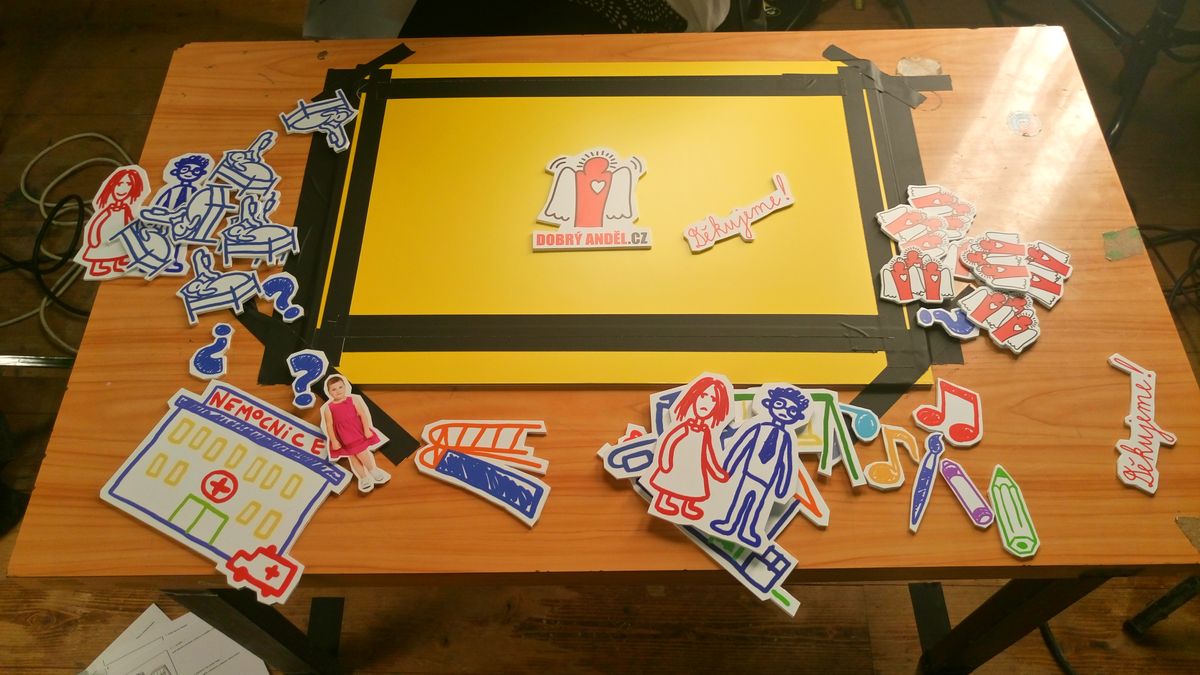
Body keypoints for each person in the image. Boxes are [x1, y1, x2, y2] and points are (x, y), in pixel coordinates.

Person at [709, 385, 809, 548]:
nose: (784, 411)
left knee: (757, 505)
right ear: (770, 404)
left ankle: (748, 530)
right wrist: (728, 466)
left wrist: (783, 487)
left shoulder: (786, 438)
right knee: (739, 499)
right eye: (780, 404)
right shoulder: (758, 426)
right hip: (748, 473)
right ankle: (730, 523)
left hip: (766, 481)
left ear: (796, 416)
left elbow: (786, 463)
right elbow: (741, 446)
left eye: (791, 411)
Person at [647, 374, 732, 520]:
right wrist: (665, 462)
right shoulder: (684, 427)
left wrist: (715, 471)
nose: (706, 403)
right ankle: (663, 500)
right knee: (670, 481)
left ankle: (687, 506)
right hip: (676, 464)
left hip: (695, 466)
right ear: (694, 397)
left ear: (717, 406)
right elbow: (669, 442)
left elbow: (708, 453)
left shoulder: (706, 432)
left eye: (713, 400)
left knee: (694, 483)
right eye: (703, 396)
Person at [320, 375, 391, 493]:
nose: (338, 391)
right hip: (344, 437)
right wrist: (334, 441)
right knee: (352, 457)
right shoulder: (329, 408)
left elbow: (363, 415)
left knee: (362, 452)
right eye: (334, 389)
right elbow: (329, 425)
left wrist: (366, 430)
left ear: (345, 387)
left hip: (356, 432)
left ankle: (372, 470)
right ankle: (363, 477)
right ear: (329, 392)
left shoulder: (353, 400)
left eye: (340, 387)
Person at [75, 167, 146, 278]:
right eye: (120, 184)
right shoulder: (107, 210)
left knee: (119, 250)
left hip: (119, 237)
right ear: (112, 186)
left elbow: (130, 221)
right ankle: (99, 266)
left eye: (128, 184)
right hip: (103, 238)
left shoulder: (126, 209)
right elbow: (96, 223)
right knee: (102, 252)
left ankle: (117, 264)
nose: (123, 188)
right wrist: (93, 239)